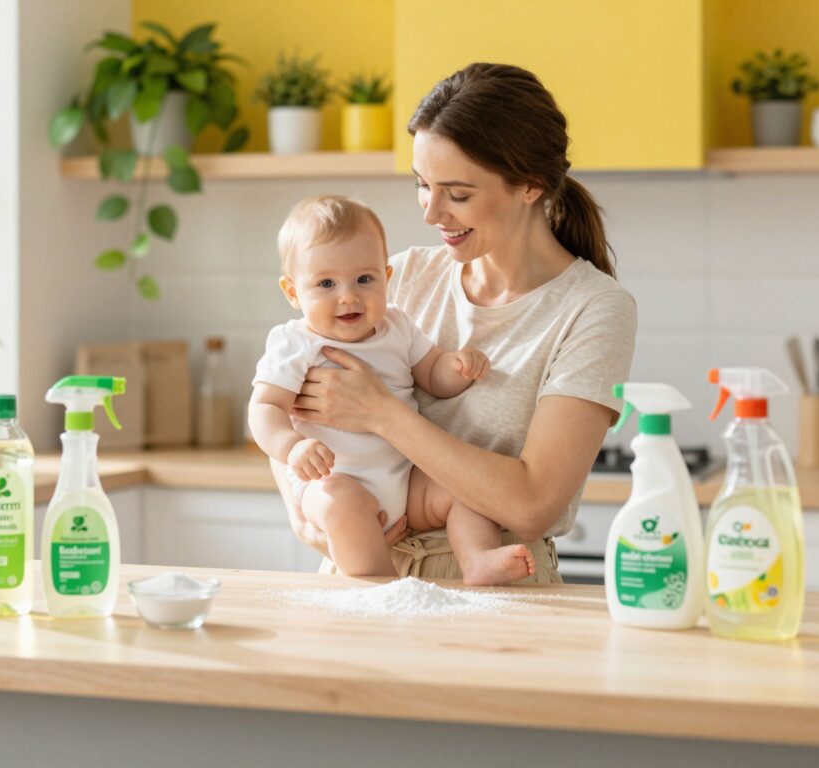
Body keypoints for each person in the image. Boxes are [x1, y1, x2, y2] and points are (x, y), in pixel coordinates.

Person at [271, 63, 638, 584]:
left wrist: (382, 413)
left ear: (530, 186)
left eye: (458, 194)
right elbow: (285, 396)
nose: (431, 213)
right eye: (423, 185)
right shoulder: (397, 277)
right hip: (360, 568)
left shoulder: (592, 308)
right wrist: (306, 514)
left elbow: (533, 504)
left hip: (497, 585)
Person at [249, 195, 538, 584]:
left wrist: (456, 367)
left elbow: (431, 374)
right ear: (292, 292)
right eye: (326, 284)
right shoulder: (296, 343)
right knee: (342, 505)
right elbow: (264, 408)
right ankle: (383, 587)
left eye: (364, 280)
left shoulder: (397, 326)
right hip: (335, 480)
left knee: (463, 492)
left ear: (387, 277)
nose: (349, 296)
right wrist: (291, 447)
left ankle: (477, 558)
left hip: (405, 480)